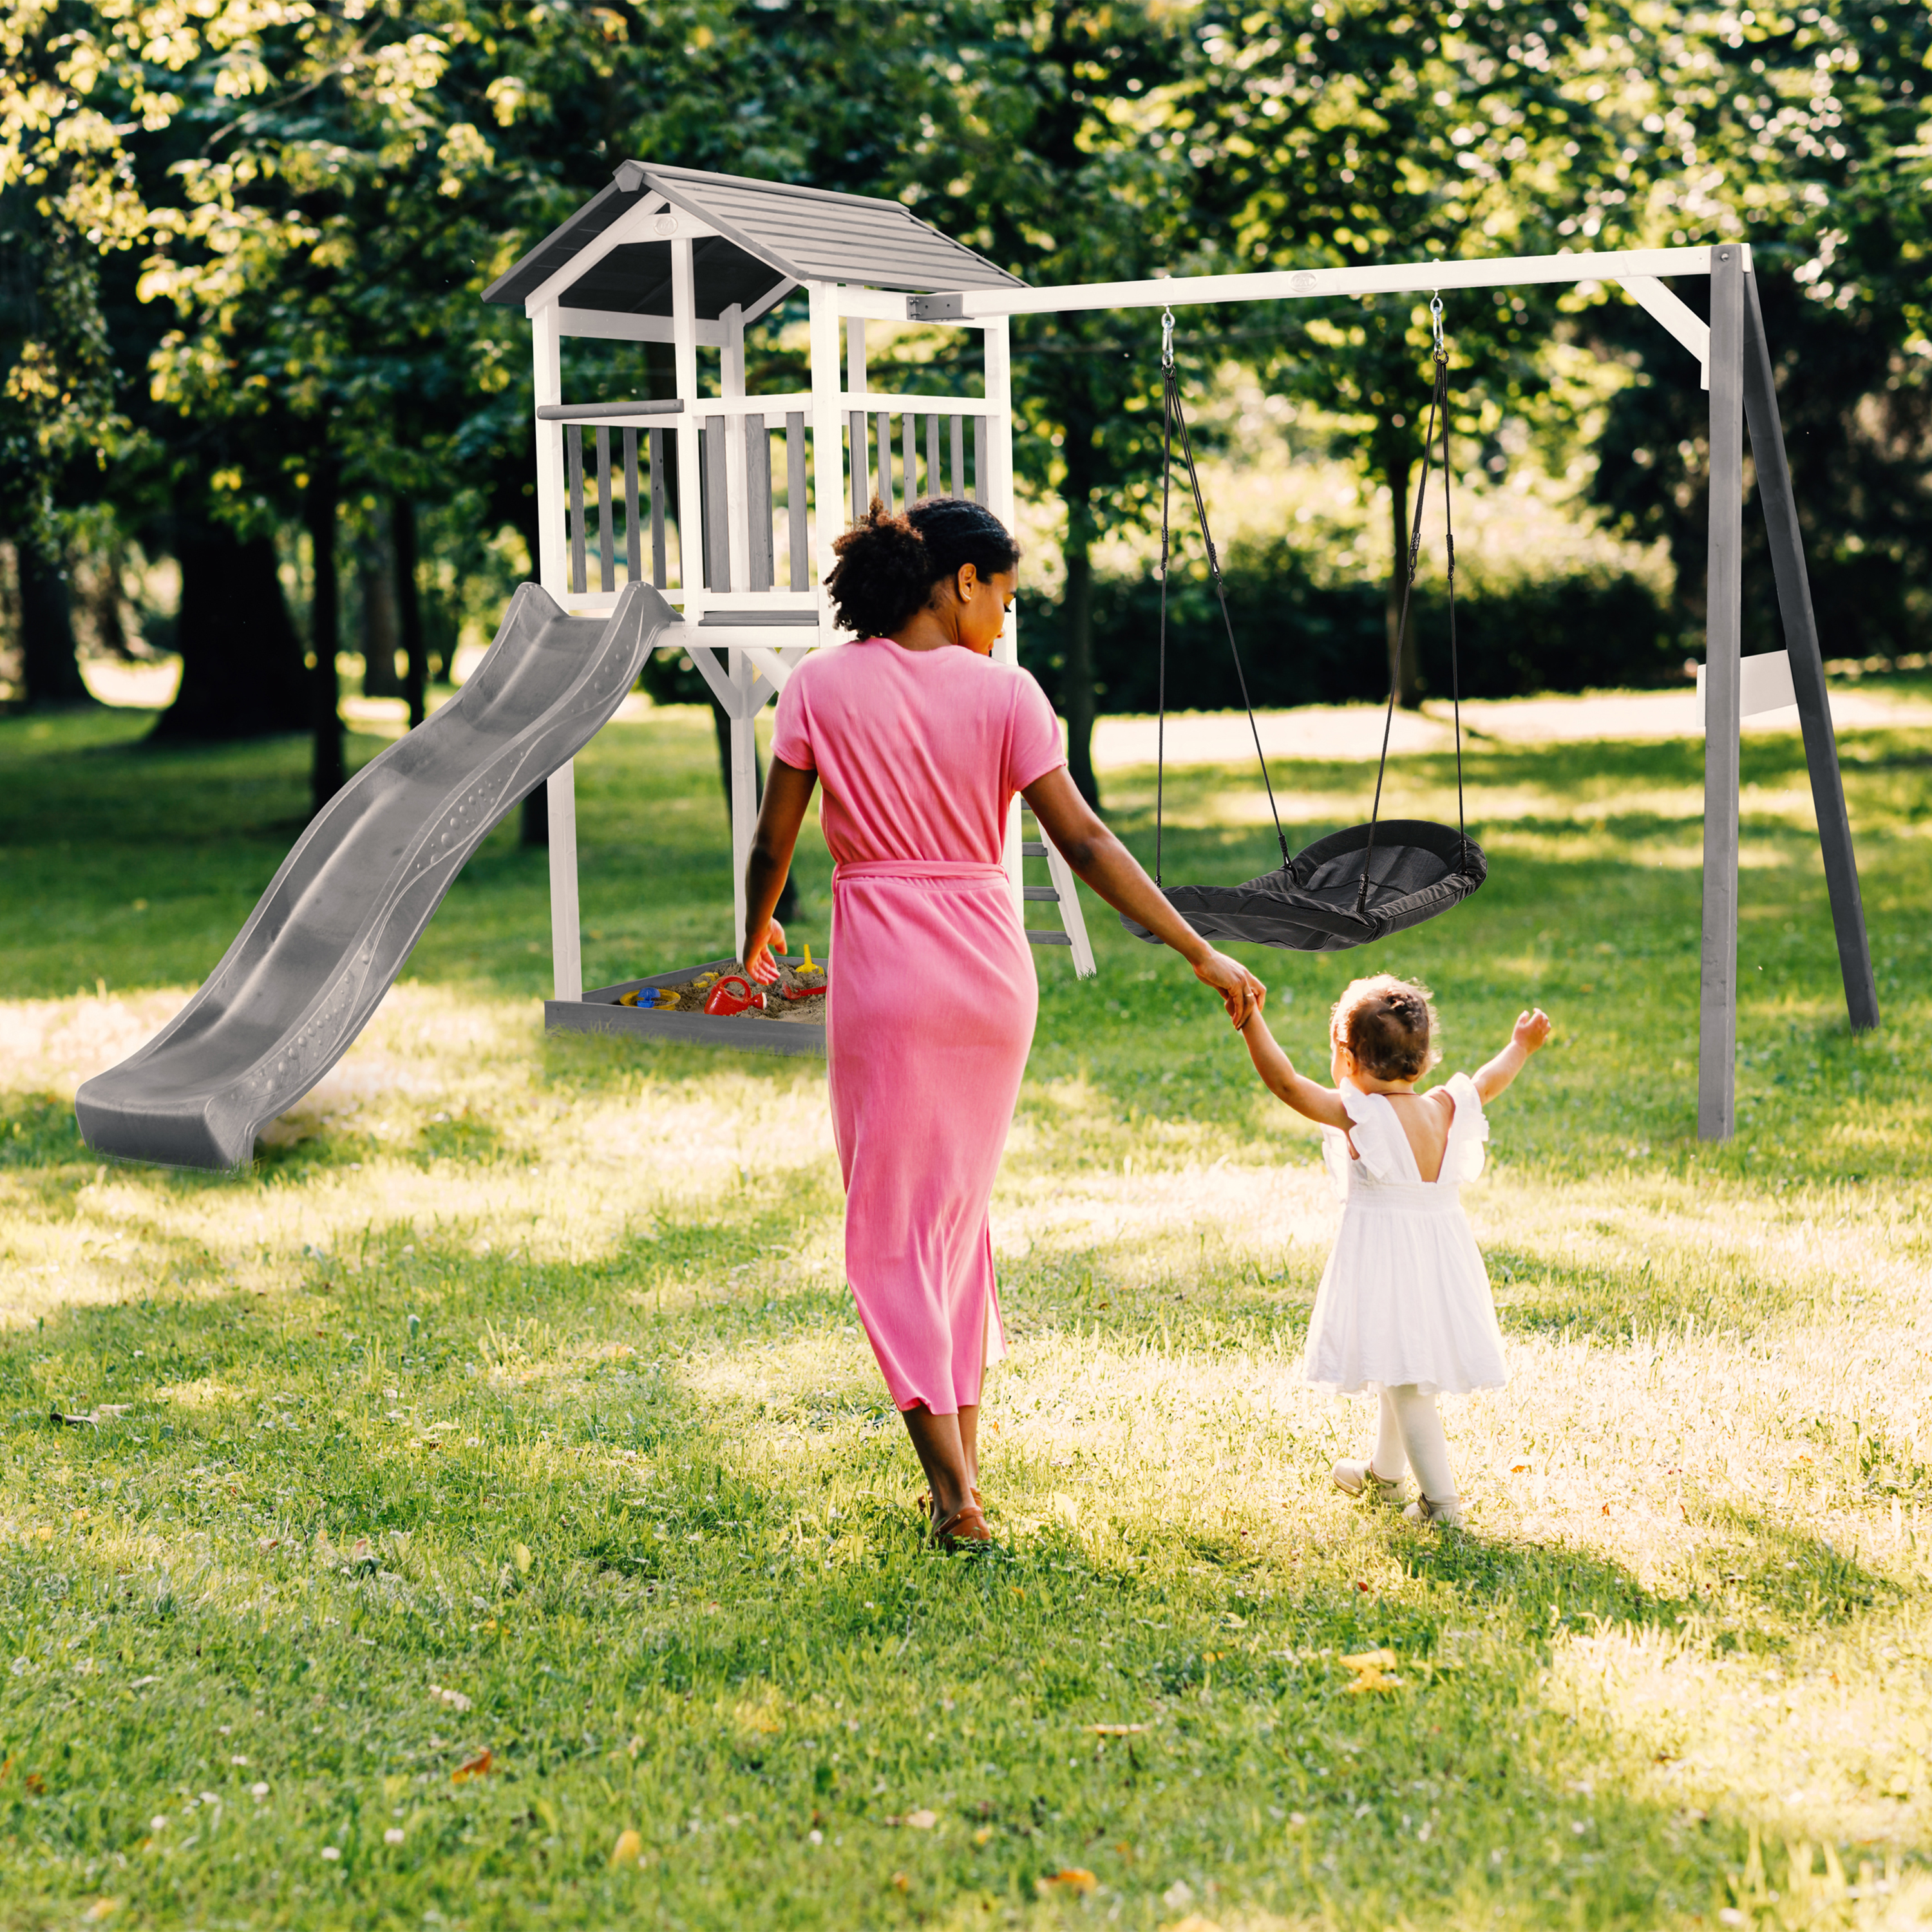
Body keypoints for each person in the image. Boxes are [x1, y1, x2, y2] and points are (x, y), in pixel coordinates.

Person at [741, 497, 1265, 1547]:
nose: (1006, 620)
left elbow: (773, 842)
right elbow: (1085, 844)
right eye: (1005, 597)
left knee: (891, 1233)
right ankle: (963, 1475)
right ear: (960, 580)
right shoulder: (1009, 696)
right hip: (989, 976)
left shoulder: (818, 686)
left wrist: (751, 937)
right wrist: (1197, 946)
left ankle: (954, 1496)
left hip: (888, 974)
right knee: (952, 1226)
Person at [1235, 974, 1551, 1526]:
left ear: (1348, 1058)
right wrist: (1520, 1046)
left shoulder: (1361, 1115)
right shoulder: (1446, 1106)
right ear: (1424, 1061)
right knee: (1395, 1362)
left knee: (1407, 1384)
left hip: (1389, 1263)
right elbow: (1489, 1079)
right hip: (1440, 1261)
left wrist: (1250, 1019)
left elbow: (1286, 1084)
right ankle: (1384, 1475)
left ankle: (1441, 1505)